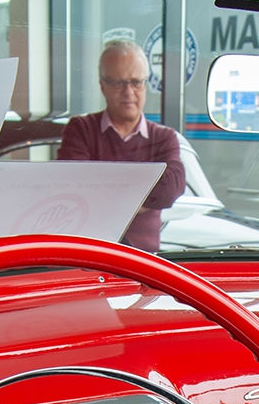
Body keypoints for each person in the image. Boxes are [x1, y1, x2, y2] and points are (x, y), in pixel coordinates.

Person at [57, 39, 185, 252]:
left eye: (136, 82)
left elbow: (170, 190)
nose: (128, 92)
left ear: (145, 84)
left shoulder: (164, 137)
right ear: (102, 86)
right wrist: (142, 197)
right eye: (118, 83)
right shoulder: (80, 129)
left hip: (145, 264)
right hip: (89, 259)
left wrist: (103, 193)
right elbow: (73, 190)